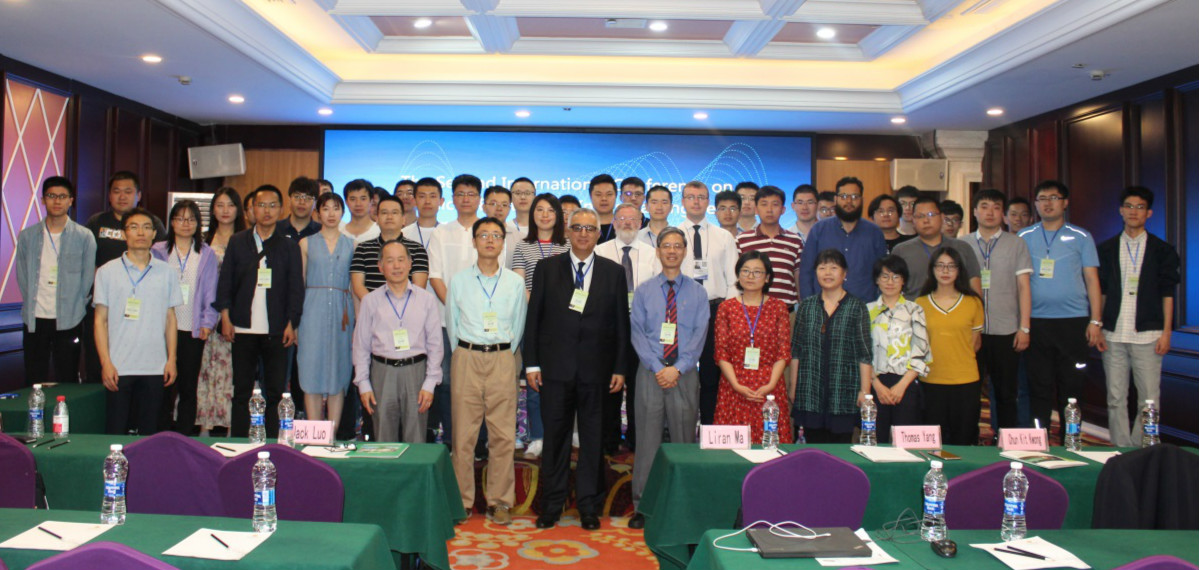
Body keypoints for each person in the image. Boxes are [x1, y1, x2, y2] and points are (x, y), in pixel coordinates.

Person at [524, 208, 630, 531]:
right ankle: (551, 505)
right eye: (578, 228)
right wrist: (532, 363)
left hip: (597, 372)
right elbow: (534, 319)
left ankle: (588, 506)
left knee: (592, 441)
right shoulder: (547, 268)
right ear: (568, 232)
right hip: (555, 371)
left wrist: (620, 367)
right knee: (555, 440)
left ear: (599, 234)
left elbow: (621, 325)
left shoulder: (614, 272)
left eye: (590, 228)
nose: (584, 233)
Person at [446, 217, 528, 525]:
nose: (490, 240)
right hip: (466, 357)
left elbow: (518, 325)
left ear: (504, 242)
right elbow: (452, 324)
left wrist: (501, 352)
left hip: (502, 358)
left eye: (496, 235)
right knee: (463, 435)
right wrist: (466, 351)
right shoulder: (459, 281)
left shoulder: (514, 283)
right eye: (484, 235)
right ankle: (462, 500)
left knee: (503, 435)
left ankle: (500, 501)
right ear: (474, 241)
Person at [628, 227, 709, 530]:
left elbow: (699, 335)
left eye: (677, 246)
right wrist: (657, 366)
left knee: (683, 441)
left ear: (685, 251)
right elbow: (637, 333)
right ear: (658, 251)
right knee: (647, 443)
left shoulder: (698, 292)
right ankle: (643, 507)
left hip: (684, 374)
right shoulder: (644, 291)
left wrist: (679, 367)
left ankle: (682, 505)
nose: (672, 251)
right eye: (666, 246)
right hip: (650, 373)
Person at [215, 184, 305, 438]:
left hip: (277, 328)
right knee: (242, 390)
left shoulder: (289, 246)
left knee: (275, 391)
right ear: (252, 209)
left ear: (281, 209)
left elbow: (295, 288)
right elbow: (226, 282)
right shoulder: (237, 242)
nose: (267, 211)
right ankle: (240, 442)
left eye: (272, 205)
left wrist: (292, 323)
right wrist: (225, 317)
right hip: (242, 327)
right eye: (261, 205)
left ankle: (275, 442)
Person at [1097, 186, 1180, 447]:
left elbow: (1168, 294)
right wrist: (1097, 325)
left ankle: (1142, 450)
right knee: (1115, 398)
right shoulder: (1107, 249)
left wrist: (1166, 332)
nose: (1134, 211)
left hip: (1149, 334)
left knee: (1149, 400)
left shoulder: (1162, 250)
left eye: (1140, 207)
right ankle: (1121, 450)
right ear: (1121, 211)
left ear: (1149, 213)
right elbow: (1102, 292)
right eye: (1129, 206)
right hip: (1113, 334)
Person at [1018, 180, 1102, 434]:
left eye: (1054, 198)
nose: (1048, 203)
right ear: (1035, 204)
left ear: (1065, 203)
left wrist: (1095, 320)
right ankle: (1039, 440)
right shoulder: (1023, 237)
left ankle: (1071, 440)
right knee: (1038, 388)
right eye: (1042, 198)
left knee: (1071, 388)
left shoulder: (1081, 237)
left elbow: (1092, 280)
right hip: (1035, 322)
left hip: (1073, 322)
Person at [94, 207, 182, 435]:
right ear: (124, 234)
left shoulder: (167, 272)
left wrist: (171, 359)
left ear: (154, 234)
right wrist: (105, 362)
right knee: (116, 431)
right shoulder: (106, 272)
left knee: (150, 433)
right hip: (118, 366)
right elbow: (100, 321)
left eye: (146, 227)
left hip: (155, 366)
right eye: (134, 227)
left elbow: (170, 319)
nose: (140, 233)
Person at [354, 240, 443, 443]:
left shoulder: (426, 300)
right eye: (390, 261)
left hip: (416, 372)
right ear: (380, 266)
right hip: (382, 372)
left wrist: (430, 382)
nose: (396, 266)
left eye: (401, 260)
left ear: (410, 264)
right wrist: (363, 383)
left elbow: (435, 345)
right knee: (383, 439)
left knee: (416, 438)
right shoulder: (370, 301)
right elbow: (361, 346)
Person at [84, 171, 166, 384]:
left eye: (128, 191)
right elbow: (86, 261)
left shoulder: (152, 223)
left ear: (138, 195)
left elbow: (162, 262)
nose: (122, 196)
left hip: (143, 307)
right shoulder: (96, 222)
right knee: (98, 363)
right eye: (116, 191)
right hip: (104, 302)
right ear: (109, 196)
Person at [17, 176, 96, 386]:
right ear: (43, 200)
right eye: (51, 196)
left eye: (62, 196)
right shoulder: (27, 236)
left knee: (67, 376)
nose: (57, 201)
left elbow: (87, 278)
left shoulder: (84, 236)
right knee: (34, 377)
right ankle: (35, 409)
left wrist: (76, 305)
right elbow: (22, 275)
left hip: (69, 318)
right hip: (35, 318)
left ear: (71, 200)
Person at [151, 200, 219, 435]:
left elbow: (211, 291)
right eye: (180, 218)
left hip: (192, 328)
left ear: (198, 223)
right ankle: (160, 434)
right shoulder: (158, 251)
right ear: (171, 222)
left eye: (191, 219)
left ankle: (184, 435)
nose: (185, 223)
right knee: (162, 385)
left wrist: (208, 322)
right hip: (161, 330)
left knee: (188, 387)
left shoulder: (206, 253)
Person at [790, 249, 873, 443]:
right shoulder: (807, 306)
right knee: (812, 449)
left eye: (834, 268)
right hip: (809, 392)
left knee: (841, 448)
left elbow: (865, 353)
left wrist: (865, 391)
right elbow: (796, 351)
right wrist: (793, 387)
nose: (827, 273)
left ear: (844, 274)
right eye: (822, 268)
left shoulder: (857, 307)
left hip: (844, 394)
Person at [596, 203, 659, 454]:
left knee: (638, 387)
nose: (627, 223)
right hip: (608, 329)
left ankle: (635, 438)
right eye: (621, 218)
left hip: (642, 329)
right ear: (614, 222)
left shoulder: (653, 254)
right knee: (609, 385)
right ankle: (609, 440)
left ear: (641, 222)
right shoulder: (599, 251)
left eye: (633, 219)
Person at [968, 189, 1032, 431]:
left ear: (1003, 214)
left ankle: (1004, 439)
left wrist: (1024, 327)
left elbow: (1024, 287)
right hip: (970, 331)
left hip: (1006, 329)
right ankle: (970, 440)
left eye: (996, 207)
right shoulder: (962, 244)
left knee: (1006, 392)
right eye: (984, 206)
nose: (990, 212)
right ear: (975, 212)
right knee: (969, 390)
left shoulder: (1017, 244)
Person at [428, 174, 485, 447]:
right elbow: (435, 276)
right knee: (448, 382)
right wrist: (455, 310)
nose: (465, 199)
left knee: (478, 383)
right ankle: (451, 439)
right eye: (460, 194)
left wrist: (472, 313)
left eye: (471, 194)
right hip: (445, 321)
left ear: (479, 198)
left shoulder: (489, 230)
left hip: (481, 323)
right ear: (452, 199)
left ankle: (480, 441)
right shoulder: (441, 232)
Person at [511, 193, 570, 457]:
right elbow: (519, 284)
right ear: (532, 214)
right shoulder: (522, 247)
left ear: (558, 215)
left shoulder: (568, 246)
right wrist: (540, 309)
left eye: (550, 210)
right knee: (534, 380)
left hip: (564, 325)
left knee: (564, 382)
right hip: (532, 322)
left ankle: (563, 433)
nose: (545, 215)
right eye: (540, 210)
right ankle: (537, 436)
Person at [677, 181, 739, 425]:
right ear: (682, 201)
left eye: (701, 197)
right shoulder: (672, 235)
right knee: (682, 372)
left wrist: (726, 314)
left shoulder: (723, 237)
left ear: (708, 202)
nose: (696, 202)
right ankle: (682, 430)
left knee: (712, 376)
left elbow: (733, 280)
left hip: (716, 310)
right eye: (691, 197)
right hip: (682, 312)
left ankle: (710, 430)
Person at [714, 252, 792, 443]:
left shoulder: (779, 308)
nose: (750, 276)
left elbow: (783, 352)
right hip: (734, 385)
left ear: (767, 278)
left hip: (769, 385)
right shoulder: (726, 308)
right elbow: (721, 353)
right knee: (733, 447)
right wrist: (736, 385)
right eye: (745, 271)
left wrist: (770, 385)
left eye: (757, 272)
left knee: (770, 446)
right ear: (738, 275)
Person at [297, 193, 356, 433]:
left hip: (343, 313)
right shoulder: (305, 243)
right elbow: (299, 284)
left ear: (343, 212)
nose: (331, 214)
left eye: (336, 208)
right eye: (326, 208)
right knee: (310, 368)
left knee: (339, 372)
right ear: (317, 213)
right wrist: (295, 323)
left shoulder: (352, 244)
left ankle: (331, 433)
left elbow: (354, 286)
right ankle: (314, 433)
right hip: (311, 311)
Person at [916, 247, 985, 445]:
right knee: (932, 441)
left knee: (963, 438)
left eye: (951, 266)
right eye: (940, 266)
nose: (945, 271)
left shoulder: (973, 302)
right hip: (931, 379)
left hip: (965, 380)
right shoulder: (920, 303)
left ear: (959, 270)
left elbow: (975, 342)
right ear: (932, 270)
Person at [867, 255, 929, 444]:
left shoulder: (915, 310)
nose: (890, 282)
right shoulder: (867, 310)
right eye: (885, 276)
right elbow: (862, 353)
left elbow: (921, 351)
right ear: (877, 280)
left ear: (903, 280)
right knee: (876, 442)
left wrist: (901, 386)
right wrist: (877, 386)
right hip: (875, 384)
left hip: (906, 383)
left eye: (896, 277)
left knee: (905, 445)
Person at [197, 187, 244, 436]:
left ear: (238, 209)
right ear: (213, 209)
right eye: (220, 205)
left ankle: (230, 425)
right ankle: (204, 424)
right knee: (206, 368)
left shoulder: (246, 239)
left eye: (230, 205)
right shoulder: (202, 240)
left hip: (234, 314)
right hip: (206, 313)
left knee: (231, 371)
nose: (225, 211)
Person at [799, 177, 888, 302]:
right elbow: (806, 271)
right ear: (836, 199)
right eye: (844, 196)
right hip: (824, 306)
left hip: (864, 306)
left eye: (855, 196)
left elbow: (882, 272)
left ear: (862, 200)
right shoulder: (819, 230)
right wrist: (809, 305)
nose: (849, 201)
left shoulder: (874, 233)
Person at [892, 196, 982, 298]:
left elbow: (975, 289)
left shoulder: (962, 248)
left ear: (942, 217)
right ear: (913, 220)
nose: (926, 220)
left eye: (931, 215)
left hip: (955, 307)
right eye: (920, 216)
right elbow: (892, 290)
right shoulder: (901, 250)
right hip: (914, 307)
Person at [735, 185, 803, 310]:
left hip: (786, 310)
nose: (769, 210)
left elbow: (798, 276)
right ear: (756, 209)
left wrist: (802, 304)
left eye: (775, 204)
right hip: (751, 311)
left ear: (783, 209)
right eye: (764, 204)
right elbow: (737, 277)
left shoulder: (795, 241)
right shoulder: (741, 240)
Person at [353, 196, 430, 296]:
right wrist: (373, 304)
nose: (389, 217)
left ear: (403, 219)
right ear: (377, 219)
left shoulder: (417, 250)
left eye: (394, 212)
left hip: (407, 305)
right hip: (372, 305)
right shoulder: (362, 249)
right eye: (384, 213)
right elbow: (358, 286)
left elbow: (418, 287)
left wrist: (399, 305)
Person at [482, 185, 519, 269]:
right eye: (493, 204)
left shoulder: (520, 238)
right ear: (484, 207)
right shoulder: (475, 235)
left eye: (504, 205)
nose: (499, 208)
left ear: (509, 209)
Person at [402, 177, 444, 251]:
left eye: (432, 196)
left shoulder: (448, 234)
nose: (427, 201)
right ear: (414, 201)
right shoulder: (403, 234)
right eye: (422, 196)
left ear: (441, 201)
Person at [279, 176, 321, 240]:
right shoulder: (275, 229)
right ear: (289, 200)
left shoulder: (321, 231)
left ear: (315, 203)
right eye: (297, 197)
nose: (302, 202)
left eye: (308, 198)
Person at [340, 179, 380, 244]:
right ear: (346, 202)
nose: (358, 204)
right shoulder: (339, 232)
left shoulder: (379, 231)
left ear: (371, 201)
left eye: (363, 199)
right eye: (353, 199)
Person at [589, 174, 619, 244]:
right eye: (598, 194)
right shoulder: (583, 227)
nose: (604, 198)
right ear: (590, 197)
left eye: (609, 194)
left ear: (616, 196)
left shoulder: (624, 225)